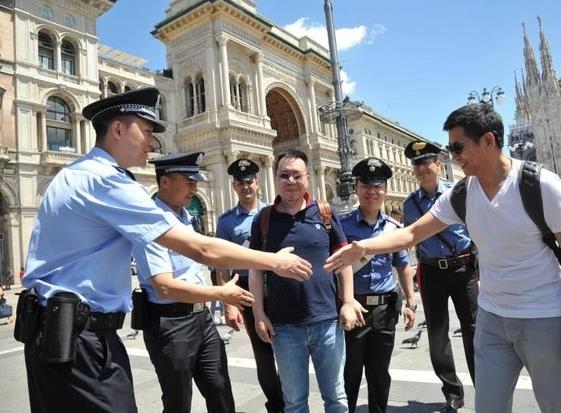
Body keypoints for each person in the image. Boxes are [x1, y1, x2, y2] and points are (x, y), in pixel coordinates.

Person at [20, 87, 313, 413]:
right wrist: (273, 261)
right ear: (118, 129)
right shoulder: (104, 180)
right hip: (80, 343)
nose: (153, 142)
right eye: (146, 131)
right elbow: (200, 249)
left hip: (62, 335)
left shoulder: (76, 173)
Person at [325, 103, 561, 413]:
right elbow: (411, 234)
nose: (452, 156)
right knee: (489, 406)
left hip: (542, 317)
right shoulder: (462, 194)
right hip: (493, 318)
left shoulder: (540, 186)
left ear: (488, 141)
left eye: (458, 147)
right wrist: (364, 247)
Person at [133, 151, 251, 413]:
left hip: (202, 320)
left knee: (220, 390)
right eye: (188, 181)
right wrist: (221, 294)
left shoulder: (188, 219)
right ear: (164, 182)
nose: (195, 187)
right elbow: (165, 287)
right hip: (170, 325)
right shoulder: (152, 223)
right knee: (178, 402)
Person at [249, 149, 359, 413]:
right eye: (284, 175)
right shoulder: (263, 219)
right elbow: (256, 270)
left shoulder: (324, 213)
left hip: (327, 322)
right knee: (295, 403)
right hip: (284, 327)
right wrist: (259, 314)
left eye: (296, 175)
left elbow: (343, 259)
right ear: (275, 179)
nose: (290, 181)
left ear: (307, 178)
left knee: (336, 397)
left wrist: (348, 301)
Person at [402, 140, 478, 412]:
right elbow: (409, 239)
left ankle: (483, 385)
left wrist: (481, 269)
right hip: (432, 271)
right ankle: (452, 391)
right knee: (436, 333)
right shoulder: (410, 204)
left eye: (427, 162)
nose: (423, 168)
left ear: (439, 164)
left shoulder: (460, 192)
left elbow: (477, 229)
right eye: (417, 164)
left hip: (463, 268)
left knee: (474, 331)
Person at [340, 157, 416, 413]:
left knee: (379, 373)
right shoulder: (343, 225)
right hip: (355, 308)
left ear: (384, 189)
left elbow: (403, 265)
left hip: (385, 309)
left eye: (377, 186)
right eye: (366, 186)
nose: (372, 191)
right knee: (349, 372)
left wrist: (410, 302)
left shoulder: (394, 229)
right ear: (356, 189)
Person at [215, 158, 284, 413]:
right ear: (234, 186)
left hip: (277, 285)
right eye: (239, 183)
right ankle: (276, 405)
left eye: (249, 181)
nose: (245, 187)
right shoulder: (226, 222)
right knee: (263, 352)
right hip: (245, 288)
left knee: (288, 347)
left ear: (257, 183)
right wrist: (229, 305)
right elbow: (220, 264)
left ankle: (293, 401)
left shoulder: (273, 214)